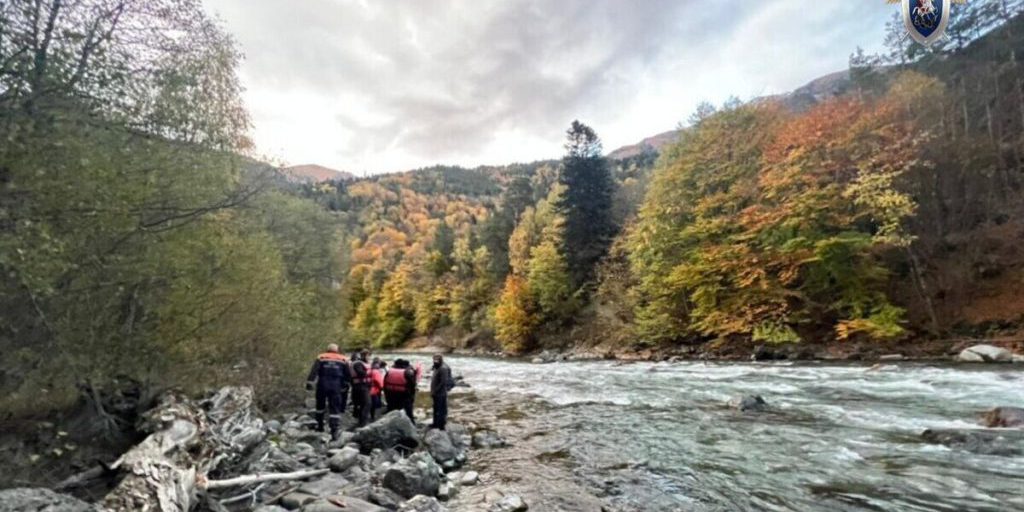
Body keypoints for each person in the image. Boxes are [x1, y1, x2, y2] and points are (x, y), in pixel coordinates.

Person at [306, 343, 351, 440]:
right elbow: (348, 374)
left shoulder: (321, 357)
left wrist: (309, 382)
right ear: (337, 350)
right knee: (334, 407)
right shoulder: (343, 359)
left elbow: (314, 371)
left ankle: (320, 425)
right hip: (336, 386)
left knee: (320, 406)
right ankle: (334, 430)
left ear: (327, 350)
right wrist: (347, 384)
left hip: (322, 384)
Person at [384, 358, 422, 424]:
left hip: (391, 393)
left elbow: (385, 383)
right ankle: (411, 422)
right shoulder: (407, 372)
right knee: (408, 409)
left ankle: (389, 422)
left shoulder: (389, 371)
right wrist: (412, 395)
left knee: (391, 409)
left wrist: (386, 395)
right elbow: (412, 384)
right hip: (404, 394)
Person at [430, 354, 455, 430]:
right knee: (436, 408)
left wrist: (435, 391)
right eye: (434, 359)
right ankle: (435, 423)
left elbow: (443, 382)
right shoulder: (436, 366)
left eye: (437, 359)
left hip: (440, 393)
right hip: (435, 392)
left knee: (441, 409)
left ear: (441, 359)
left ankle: (441, 425)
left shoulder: (443, 368)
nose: (435, 361)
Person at [350, 349, 372, 428]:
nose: (369, 357)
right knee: (367, 403)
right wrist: (371, 372)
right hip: (360, 386)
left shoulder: (363, 363)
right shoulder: (358, 364)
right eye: (368, 356)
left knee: (361, 404)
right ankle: (363, 423)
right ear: (364, 356)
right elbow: (361, 373)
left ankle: (360, 421)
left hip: (362, 386)